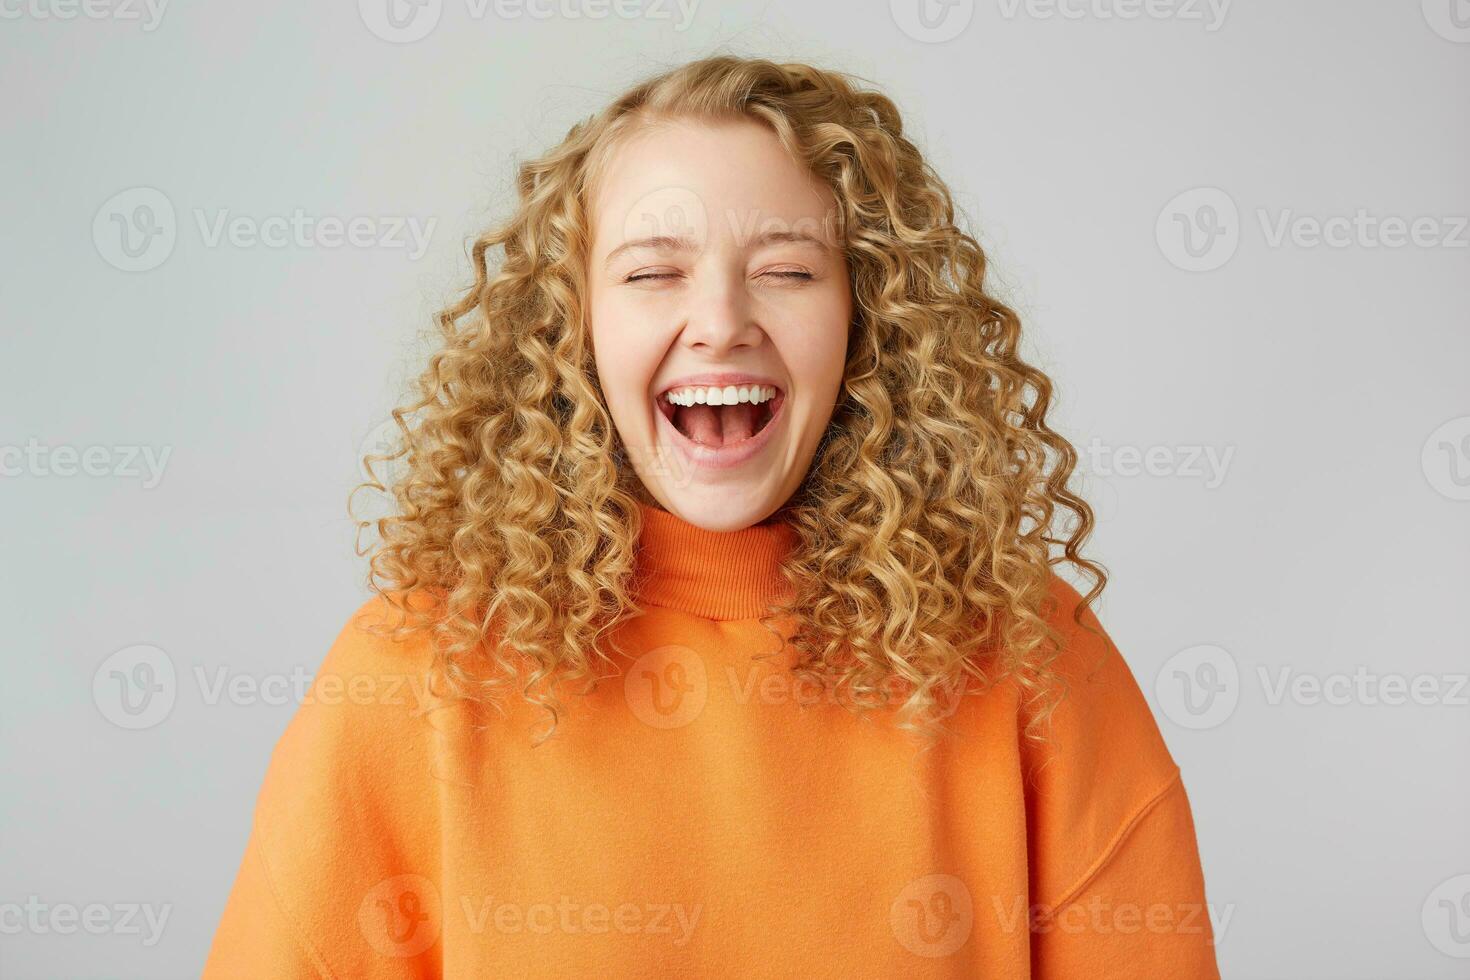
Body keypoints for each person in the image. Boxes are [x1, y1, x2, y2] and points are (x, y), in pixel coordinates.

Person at [203, 54, 1221, 978]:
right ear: (572, 327)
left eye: (787, 271)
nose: (725, 320)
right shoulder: (414, 673)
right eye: (652, 273)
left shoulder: (1032, 655)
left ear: (868, 322)